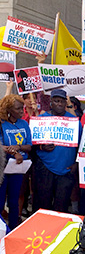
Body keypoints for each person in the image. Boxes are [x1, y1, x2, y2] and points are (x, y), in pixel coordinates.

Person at [32, 89, 82, 213]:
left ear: (66, 103)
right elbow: (31, 144)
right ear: (50, 103)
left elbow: (81, 145)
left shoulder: (74, 122)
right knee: (44, 205)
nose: (59, 104)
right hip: (45, 168)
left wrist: (77, 163)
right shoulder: (41, 119)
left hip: (66, 170)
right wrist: (42, 147)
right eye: (56, 101)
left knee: (62, 206)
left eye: (62, 101)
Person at [0, 94, 32, 229]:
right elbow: (1, 146)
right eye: (18, 109)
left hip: (18, 168)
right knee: (1, 202)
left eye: (22, 108)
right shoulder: (2, 124)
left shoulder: (24, 123)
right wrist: (15, 153)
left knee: (14, 201)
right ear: (9, 110)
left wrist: (18, 148)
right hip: (3, 167)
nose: (21, 111)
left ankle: (13, 229)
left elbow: (29, 146)